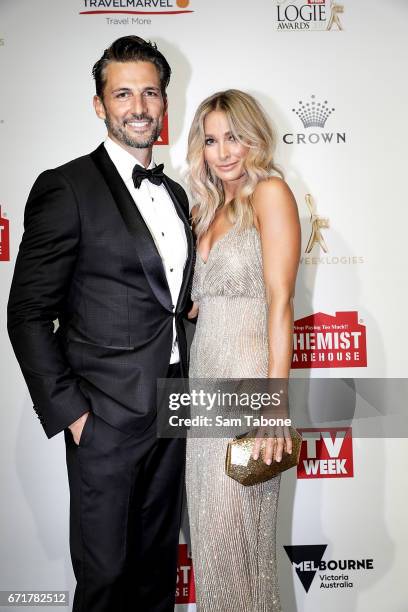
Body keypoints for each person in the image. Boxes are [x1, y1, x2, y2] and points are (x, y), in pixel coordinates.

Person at [7, 36, 194, 612]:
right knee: (105, 578)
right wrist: (75, 414)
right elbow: (27, 313)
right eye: (123, 94)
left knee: (157, 570)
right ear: (99, 105)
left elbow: (168, 299)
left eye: (150, 92)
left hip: (172, 404)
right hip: (105, 416)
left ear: (164, 101)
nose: (138, 106)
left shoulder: (178, 194)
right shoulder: (66, 187)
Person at [185, 90, 300, 611]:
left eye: (233, 136)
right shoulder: (206, 210)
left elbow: (281, 302)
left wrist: (276, 407)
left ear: (254, 136)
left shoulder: (269, 194)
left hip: (250, 393)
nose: (224, 151)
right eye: (211, 139)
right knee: (212, 553)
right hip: (202, 398)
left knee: (242, 552)